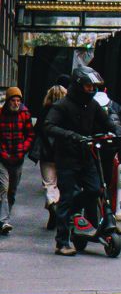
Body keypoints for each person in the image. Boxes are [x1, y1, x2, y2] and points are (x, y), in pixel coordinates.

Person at [42, 67, 117, 256]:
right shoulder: (62, 105)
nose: (91, 89)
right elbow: (48, 126)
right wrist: (71, 135)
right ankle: (62, 243)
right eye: (88, 86)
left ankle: (67, 210)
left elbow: (107, 122)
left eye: (93, 86)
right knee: (67, 197)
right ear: (78, 85)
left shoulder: (92, 105)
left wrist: (117, 130)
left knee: (95, 189)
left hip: (86, 156)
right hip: (67, 158)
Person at [0, 86, 34, 234]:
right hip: (2, 158)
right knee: (3, 188)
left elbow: (30, 135)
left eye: (18, 100)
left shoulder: (24, 114)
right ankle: (4, 220)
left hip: (18, 158)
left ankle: (4, 215)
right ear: (8, 101)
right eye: (13, 100)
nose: (16, 103)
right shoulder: (1, 114)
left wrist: (23, 149)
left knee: (12, 191)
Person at [35, 85, 67, 230]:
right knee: (60, 184)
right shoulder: (66, 112)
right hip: (62, 153)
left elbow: (37, 130)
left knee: (49, 183)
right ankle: (56, 207)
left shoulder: (44, 111)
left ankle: (52, 204)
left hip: (46, 154)